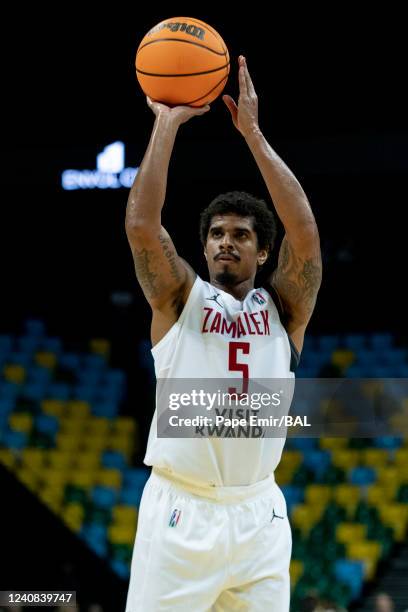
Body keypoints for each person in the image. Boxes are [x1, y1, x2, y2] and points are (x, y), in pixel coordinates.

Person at [125, 55, 322, 611]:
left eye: (240, 234)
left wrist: (254, 137)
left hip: (260, 513)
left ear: (263, 251)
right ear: (204, 245)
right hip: (181, 510)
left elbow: (304, 236)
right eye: (215, 233)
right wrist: (165, 123)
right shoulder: (179, 299)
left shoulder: (283, 309)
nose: (224, 242)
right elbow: (142, 226)